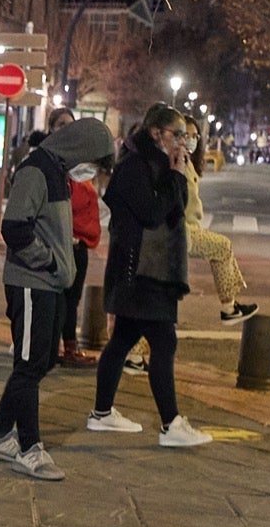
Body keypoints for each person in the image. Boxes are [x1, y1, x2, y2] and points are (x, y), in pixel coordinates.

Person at [0, 119, 115, 481]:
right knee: (29, 365)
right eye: (94, 162)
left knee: (40, 363)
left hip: (49, 284)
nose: (92, 172)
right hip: (31, 283)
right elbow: (15, 228)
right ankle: (30, 448)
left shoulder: (59, 173)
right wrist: (50, 261)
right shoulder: (37, 170)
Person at [85, 104, 212, 448]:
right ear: (157, 133)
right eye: (178, 135)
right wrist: (173, 175)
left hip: (149, 270)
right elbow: (153, 214)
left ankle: (101, 413)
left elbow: (180, 205)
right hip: (140, 270)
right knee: (163, 342)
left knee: (123, 340)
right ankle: (171, 424)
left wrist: (178, 171)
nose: (184, 142)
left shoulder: (159, 162)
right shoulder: (134, 166)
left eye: (186, 136)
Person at [181, 115, 257, 323]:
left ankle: (230, 306)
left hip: (189, 227)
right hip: (183, 230)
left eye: (195, 136)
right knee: (222, 247)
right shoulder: (176, 160)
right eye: (186, 135)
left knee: (223, 248)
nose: (191, 140)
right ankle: (229, 307)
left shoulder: (186, 160)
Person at [43, 109, 104, 366]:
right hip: (62, 243)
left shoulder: (78, 164)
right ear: (51, 129)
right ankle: (54, 348)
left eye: (70, 125)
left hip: (80, 243)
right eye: (61, 125)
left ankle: (67, 347)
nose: (66, 129)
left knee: (71, 299)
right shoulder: (51, 165)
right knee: (59, 298)